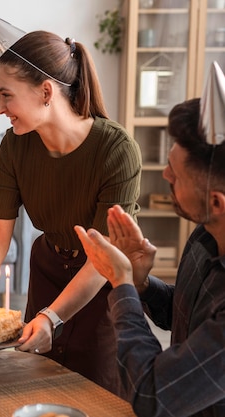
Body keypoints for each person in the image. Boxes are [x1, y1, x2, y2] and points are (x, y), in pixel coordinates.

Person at [0, 7, 141, 394]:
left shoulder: (116, 150)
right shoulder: (15, 146)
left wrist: (51, 318)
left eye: (6, 95)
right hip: (47, 272)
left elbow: (101, 257)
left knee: (98, 392)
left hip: (100, 286)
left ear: (45, 91)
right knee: (34, 387)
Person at [75, 89, 225, 415]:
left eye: (175, 173)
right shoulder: (206, 236)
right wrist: (142, 284)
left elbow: (152, 397)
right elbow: (192, 316)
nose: (165, 175)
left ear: (216, 202)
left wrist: (122, 283)